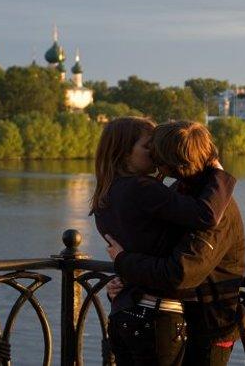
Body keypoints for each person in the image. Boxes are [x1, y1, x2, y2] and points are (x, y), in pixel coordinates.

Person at [91, 117, 237, 366]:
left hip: (124, 312)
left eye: (157, 147)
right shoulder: (145, 189)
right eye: (148, 146)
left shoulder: (106, 195)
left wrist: (125, 270)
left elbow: (147, 244)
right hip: (157, 317)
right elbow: (206, 215)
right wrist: (219, 173)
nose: (155, 154)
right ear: (124, 152)